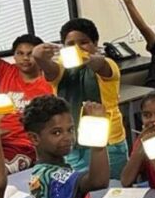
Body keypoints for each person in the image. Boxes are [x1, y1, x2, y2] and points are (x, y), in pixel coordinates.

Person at [32, 18, 128, 178]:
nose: (77, 47)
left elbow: (100, 65)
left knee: (114, 188)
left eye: (83, 42)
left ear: (95, 43)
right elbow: (50, 69)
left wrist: (87, 58)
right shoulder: (61, 68)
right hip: (74, 147)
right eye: (70, 44)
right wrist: (39, 57)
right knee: (79, 188)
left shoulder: (107, 63)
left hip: (109, 144)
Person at [0, 7, 52, 171]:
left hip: (26, 146)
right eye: (20, 53)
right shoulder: (5, 71)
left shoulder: (49, 80)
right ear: (14, 55)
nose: (25, 58)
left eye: (30, 54)